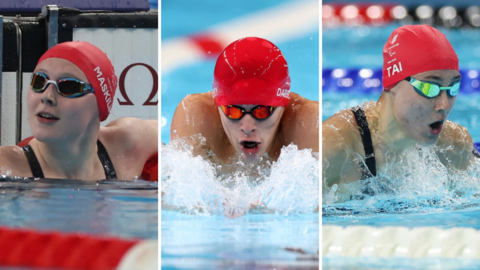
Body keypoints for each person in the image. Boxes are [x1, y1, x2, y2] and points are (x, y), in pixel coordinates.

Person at [323, 25, 474, 189]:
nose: (444, 105)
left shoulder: (454, 147)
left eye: (453, 88)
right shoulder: (335, 147)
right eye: (429, 88)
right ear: (392, 84)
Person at [0, 41, 158, 180]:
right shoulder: (7, 167)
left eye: (69, 86)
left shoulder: (128, 145)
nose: (47, 96)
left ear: (100, 103)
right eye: (39, 80)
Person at [170, 37, 319, 165]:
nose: (247, 127)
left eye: (261, 112)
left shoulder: (307, 124)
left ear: (283, 105)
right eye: (233, 111)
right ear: (218, 106)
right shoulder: (196, 118)